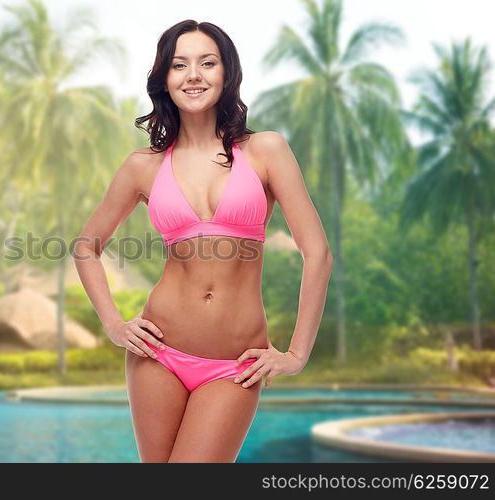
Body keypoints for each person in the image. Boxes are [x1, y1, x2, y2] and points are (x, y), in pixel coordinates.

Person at [72, 20, 333, 463]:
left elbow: (318, 254)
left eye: (207, 62)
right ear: (165, 79)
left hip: (235, 363)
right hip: (158, 353)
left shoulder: (265, 150)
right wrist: (115, 325)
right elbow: (86, 247)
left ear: (226, 73)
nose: (193, 74)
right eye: (179, 65)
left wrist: (296, 354)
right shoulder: (143, 166)